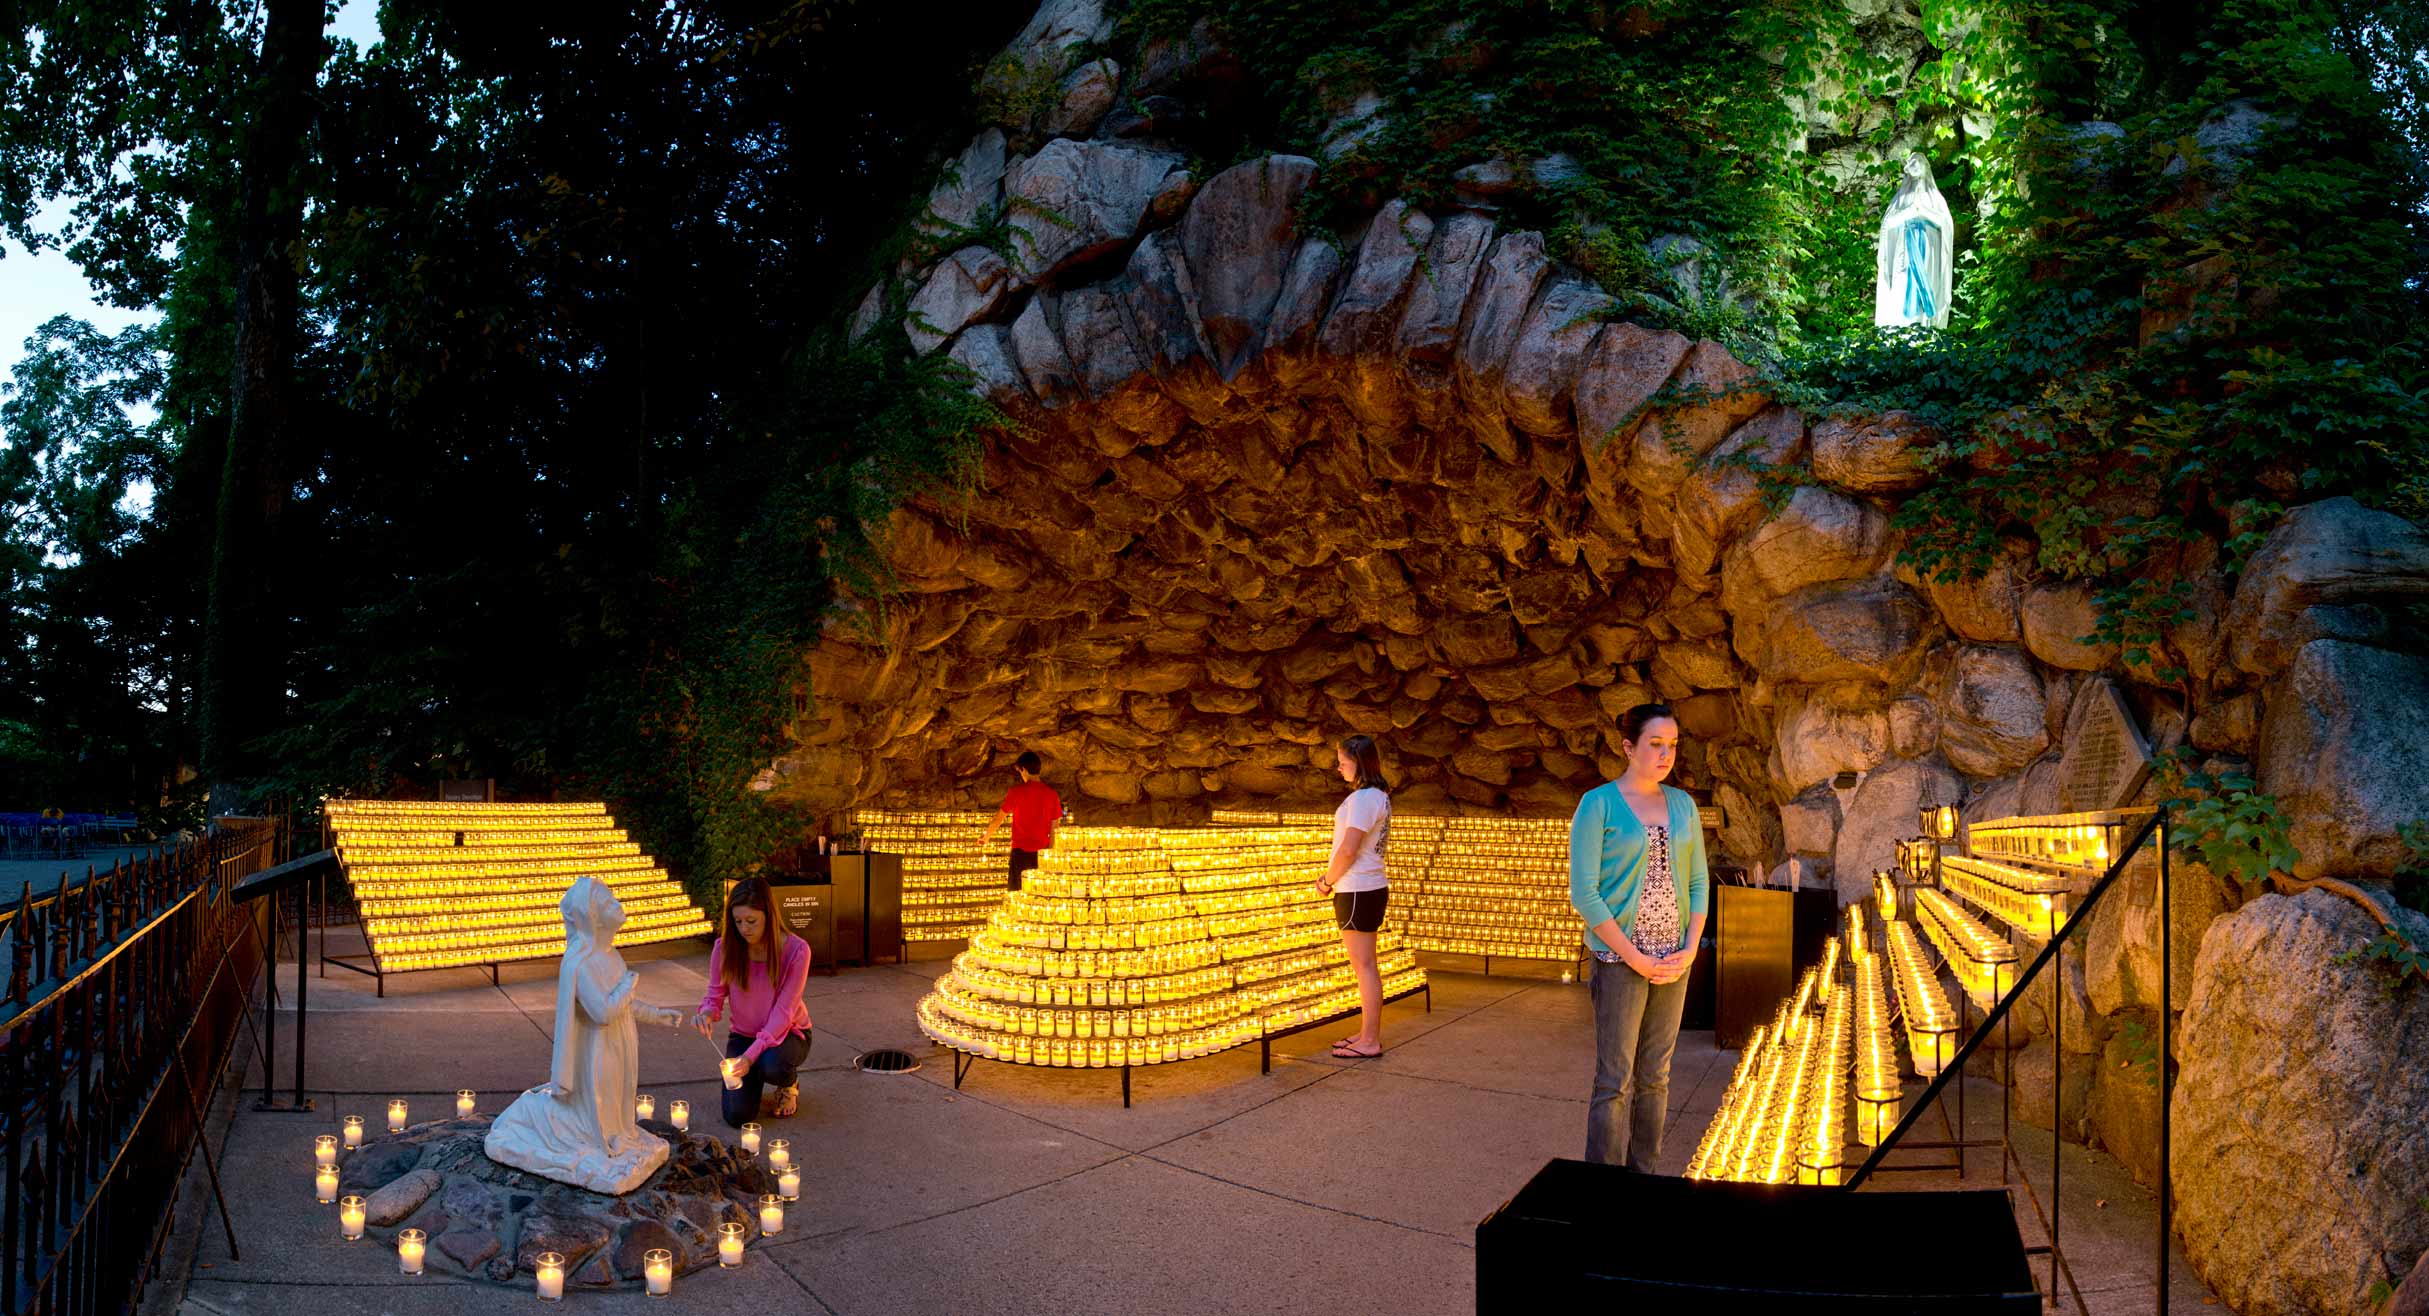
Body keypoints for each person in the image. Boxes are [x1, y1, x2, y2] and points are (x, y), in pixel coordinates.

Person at [1568, 702, 1709, 1171]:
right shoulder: (1599, 804)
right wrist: (1634, 957)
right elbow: (1585, 894)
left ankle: (1644, 1175)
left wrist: (1690, 948)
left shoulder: (1684, 804)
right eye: (1655, 744)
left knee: (1657, 1077)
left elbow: (1697, 883)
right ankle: (1605, 1187)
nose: (1666, 754)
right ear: (1628, 747)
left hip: (1674, 959)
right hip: (1619, 961)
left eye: (1672, 745)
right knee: (1615, 1080)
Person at [485, 877, 687, 1192]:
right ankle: (599, 1137)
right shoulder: (580, 964)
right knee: (601, 1098)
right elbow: (603, 1012)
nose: (617, 904)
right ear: (592, 916)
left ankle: (617, 1132)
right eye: (608, 902)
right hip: (598, 1051)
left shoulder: (610, 955)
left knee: (618, 1094)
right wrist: (628, 984)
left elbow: (624, 1006)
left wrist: (657, 1015)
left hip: (620, 1044)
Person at [692, 878, 815, 1126]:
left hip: (787, 1034)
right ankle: (754, 1078)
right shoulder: (725, 948)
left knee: (773, 1065)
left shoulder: (797, 951)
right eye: (737, 922)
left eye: (751, 921)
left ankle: (787, 1083)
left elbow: (784, 1011)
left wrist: (749, 1058)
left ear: (768, 916)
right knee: (738, 1117)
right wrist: (706, 1013)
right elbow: (714, 995)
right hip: (744, 1035)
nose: (744, 929)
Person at [1314, 734, 1392, 1060]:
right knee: (1366, 966)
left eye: (1343, 761)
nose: (1339, 767)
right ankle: (1364, 1035)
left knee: (1365, 967)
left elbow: (1348, 849)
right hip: (1370, 885)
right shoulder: (1379, 797)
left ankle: (1370, 1041)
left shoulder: (1362, 800)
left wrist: (1326, 880)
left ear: (1358, 762)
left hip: (1357, 888)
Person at [979, 750, 1061, 892]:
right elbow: (1055, 829)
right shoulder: (1052, 795)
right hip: (1041, 854)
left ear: (1024, 769)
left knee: (1018, 894)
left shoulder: (1016, 792)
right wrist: (1050, 854)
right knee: (1038, 895)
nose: (1021, 775)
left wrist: (986, 837)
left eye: (1020, 771)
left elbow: (999, 818)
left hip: (1020, 854)